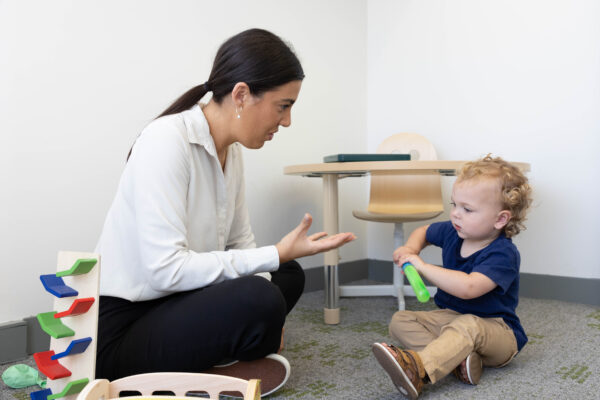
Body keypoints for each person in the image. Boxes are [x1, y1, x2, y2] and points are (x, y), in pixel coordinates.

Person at [95, 28, 355, 396]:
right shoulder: (166, 140)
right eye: (283, 106)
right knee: (261, 294)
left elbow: (240, 243)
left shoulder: (231, 153)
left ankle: (225, 355)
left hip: (177, 303)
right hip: (123, 328)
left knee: (288, 275)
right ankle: (230, 355)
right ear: (241, 95)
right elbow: (165, 270)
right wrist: (271, 276)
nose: (287, 122)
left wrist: (274, 275)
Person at [372, 155, 532, 399]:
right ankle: (461, 360)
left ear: (500, 219)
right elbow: (423, 231)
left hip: (497, 331)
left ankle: (420, 368)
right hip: (451, 317)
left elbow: (469, 287)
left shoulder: (503, 253)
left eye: (467, 209)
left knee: (467, 326)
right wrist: (411, 249)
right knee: (401, 320)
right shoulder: (454, 230)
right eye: (454, 204)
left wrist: (421, 266)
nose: (456, 214)